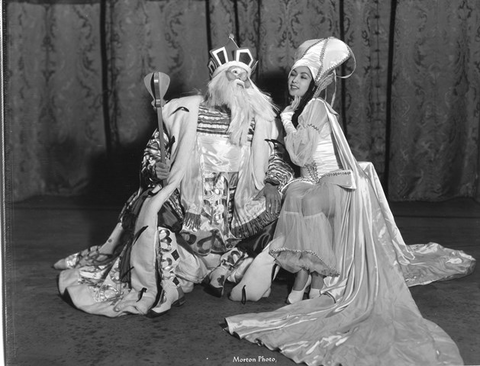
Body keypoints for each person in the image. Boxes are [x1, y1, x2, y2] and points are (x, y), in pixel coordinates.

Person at [225, 37, 475, 365]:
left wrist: (286, 120)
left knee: (304, 201)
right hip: (317, 181)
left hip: (333, 185)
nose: (293, 80)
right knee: (298, 196)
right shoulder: (308, 108)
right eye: (292, 76)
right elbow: (299, 161)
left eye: (301, 76)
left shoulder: (311, 108)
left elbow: (301, 153)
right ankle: (308, 285)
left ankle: (306, 286)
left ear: (312, 81)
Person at [53, 35, 294, 318]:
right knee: (156, 209)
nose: (237, 83)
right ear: (217, 79)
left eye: (243, 78)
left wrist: (272, 182)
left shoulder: (261, 120)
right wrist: (155, 169)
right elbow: (156, 150)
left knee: (284, 207)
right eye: (231, 77)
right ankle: (166, 282)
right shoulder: (183, 111)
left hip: (236, 201)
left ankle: (231, 266)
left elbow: (276, 157)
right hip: (189, 197)